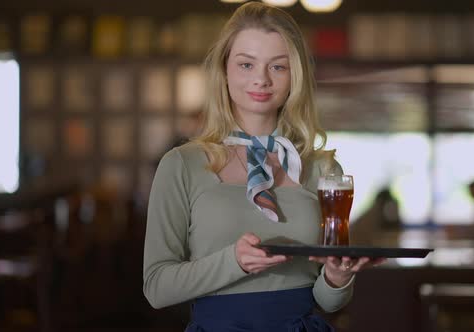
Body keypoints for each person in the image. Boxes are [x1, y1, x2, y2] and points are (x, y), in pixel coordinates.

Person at [143, 2, 383, 331]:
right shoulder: (181, 165)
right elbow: (157, 287)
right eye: (246, 64)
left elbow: (330, 301)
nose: (261, 79)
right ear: (224, 70)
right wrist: (234, 262)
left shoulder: (323, 170)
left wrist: (337, 277)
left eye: (278, 67)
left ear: (294, 76)